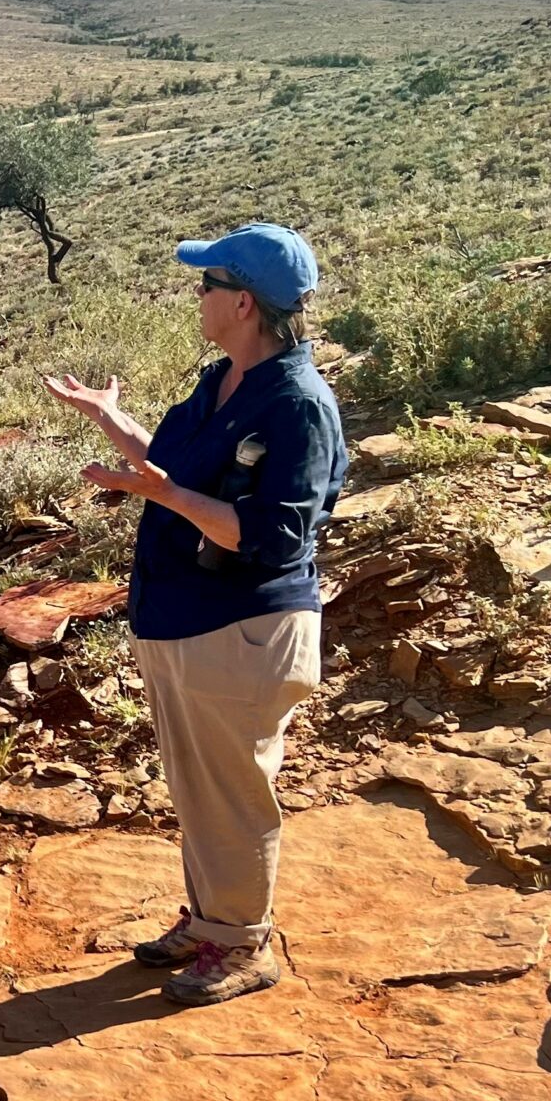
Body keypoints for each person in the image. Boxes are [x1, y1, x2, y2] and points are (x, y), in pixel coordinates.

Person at [45, 223, 345, 1007]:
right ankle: (215, 921)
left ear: (243, 303)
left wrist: (167, 498)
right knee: (201, 789)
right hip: (188, 621)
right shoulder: (222, 382)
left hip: (243, 629)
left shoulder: (297, 406)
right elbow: (170, 467)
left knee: (233, 794)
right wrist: (112, 420)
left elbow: (276, 536)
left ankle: (245, 944)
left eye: (208, 285)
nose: (198, 296)